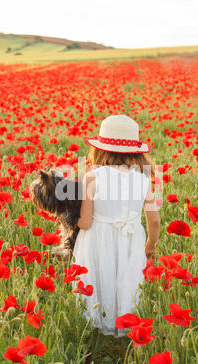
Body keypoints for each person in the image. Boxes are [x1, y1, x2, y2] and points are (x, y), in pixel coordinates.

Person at [72, 114, 160, 338]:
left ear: (100, 149)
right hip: (131, 237)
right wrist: (150, 245)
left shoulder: (92, 178)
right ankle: (125, 321)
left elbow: (86, 221)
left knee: (100, 275)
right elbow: (154, 220)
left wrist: (69, 219)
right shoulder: (143, 178)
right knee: (126, 278)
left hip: (97, 238)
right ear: (134, 151)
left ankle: (97, 323)